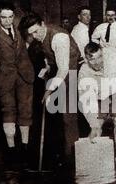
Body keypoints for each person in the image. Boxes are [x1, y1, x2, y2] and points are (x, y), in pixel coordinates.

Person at [18, 11, 80, 173]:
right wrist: (46, 69)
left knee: (68, 117)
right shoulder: (40, 37)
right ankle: (60, 156)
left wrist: (49, 90)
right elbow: (51, 60)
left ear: (43, 24)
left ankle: (71, 161)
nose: (34, 36)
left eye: (36, 31)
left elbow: (64, 68)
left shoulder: (59, 37)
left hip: (72, 73)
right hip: (59, 72)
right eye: (30, 33)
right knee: (57, 116)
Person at [78, 42, 116, 168]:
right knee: (97, 123)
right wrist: (93, 123)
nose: (97, 62)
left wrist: (108, 93)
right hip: (100, 91)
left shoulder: (115, 59)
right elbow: (86, 101)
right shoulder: (84, 72)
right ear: (86, 59)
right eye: (92, 59)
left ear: (103, 53)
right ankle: (94, 158)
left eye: (99, 57)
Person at [0, 2, 34, 152]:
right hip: (4, 76)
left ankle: (25, 146)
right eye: (4, 17)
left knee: (26, 109)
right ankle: (11, 149)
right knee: (8, 110)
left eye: (10, 17)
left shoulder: (19, 28)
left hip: (24, 75)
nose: (7, 21)